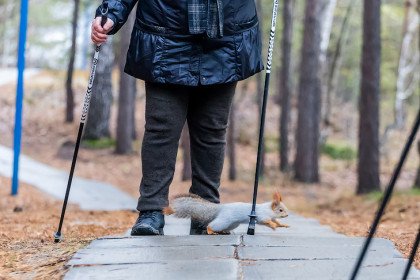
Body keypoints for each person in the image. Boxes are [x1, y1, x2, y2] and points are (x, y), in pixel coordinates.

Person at [92, 0, 263, 235]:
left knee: (212, 130)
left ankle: (205, 213)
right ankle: (151, 210)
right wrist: (111, 12)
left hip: (225, 33)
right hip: (165, 30)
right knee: (162, 126)